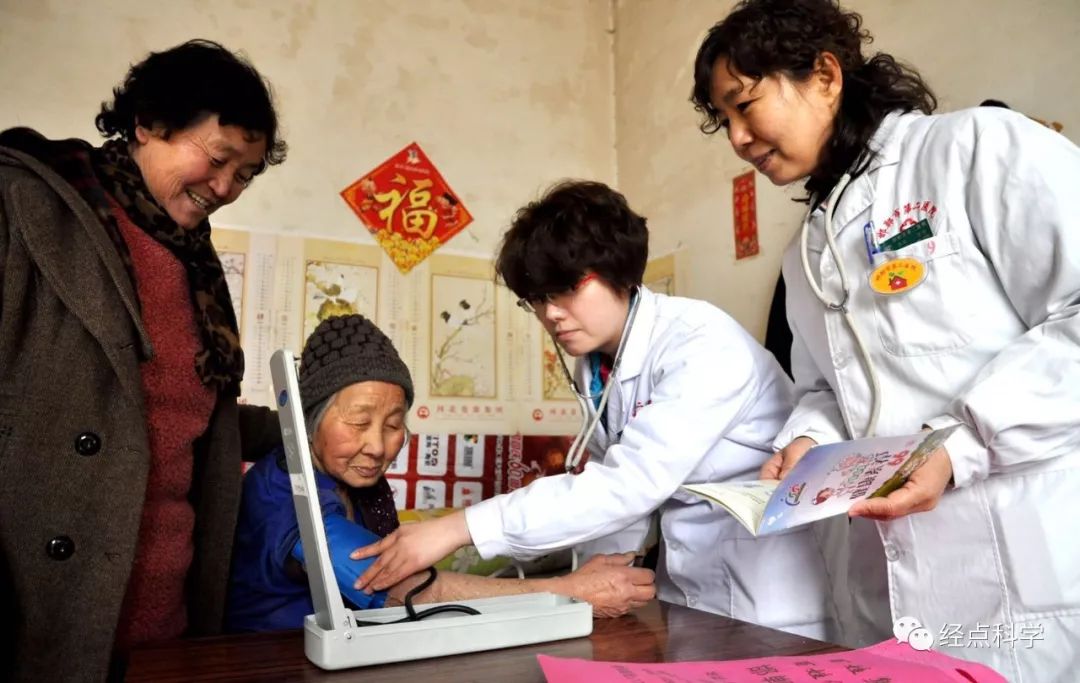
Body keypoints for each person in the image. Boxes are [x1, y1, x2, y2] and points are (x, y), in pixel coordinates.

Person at [691, 1, 1080, 680]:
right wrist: (808, 440)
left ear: (824, 76)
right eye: (723, 121)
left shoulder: (975, 149)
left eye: (745, 105)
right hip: (890, 586)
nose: (738, 139)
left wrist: (958, 446)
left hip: (1025, 561)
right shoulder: (806, 250)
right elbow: (826, 385)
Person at [350, 181, 836, 639]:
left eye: (566, 289)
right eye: (537, 299)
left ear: (618, 269)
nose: (551, 314)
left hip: (771, 595)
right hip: (690, 588)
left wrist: (456, 529)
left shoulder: (701, 343)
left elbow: (627, 486)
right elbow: (613, 500)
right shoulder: (599, 365)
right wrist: (585, 589)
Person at [0, 40, 287, 681]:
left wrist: (312, 423)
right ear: (149, 123)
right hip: (40, 618)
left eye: (245, 175)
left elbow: (177, 417)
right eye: (217, 158)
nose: (225, 188)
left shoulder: (195, 265)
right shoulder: (25, 207)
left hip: (164, 623)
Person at [227, 314, 656, 631]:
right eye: (358, 422)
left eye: (394, 425)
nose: (377, 446)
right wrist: (570, 592)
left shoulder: (345, 479)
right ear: (309, 421)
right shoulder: (286, 497)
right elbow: (402, 591)